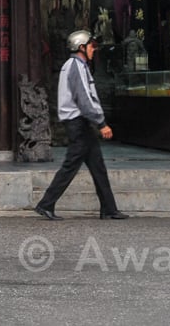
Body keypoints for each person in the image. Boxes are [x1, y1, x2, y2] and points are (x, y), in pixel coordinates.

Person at [33, 30, 129, 220]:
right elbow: (84, 99)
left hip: (81, 122)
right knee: (71, 165)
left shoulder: (79, 66)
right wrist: (101, 123)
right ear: (81, 47)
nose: (95, 49)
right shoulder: (75, 66)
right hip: (77, 122)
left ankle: (109, 209)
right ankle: (46, 203)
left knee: (97, 165)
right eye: (92, 46)